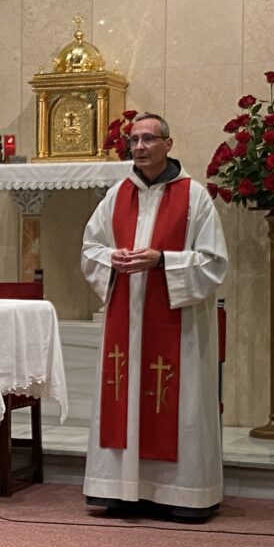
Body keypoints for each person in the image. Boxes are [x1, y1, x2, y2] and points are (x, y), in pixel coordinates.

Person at [81, 112, 228, 522]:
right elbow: (90, 248)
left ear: (168, 143)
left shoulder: (194, 196)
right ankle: (119, 488)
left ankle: (181, 491)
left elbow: (215, 263)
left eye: (149, 139)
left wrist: (162, 260)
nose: (140, 147)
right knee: (122, 395)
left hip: (176, 328)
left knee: (173, 400)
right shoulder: (116, 195)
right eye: (134, 141)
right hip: (125, 318)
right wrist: (112, 257)